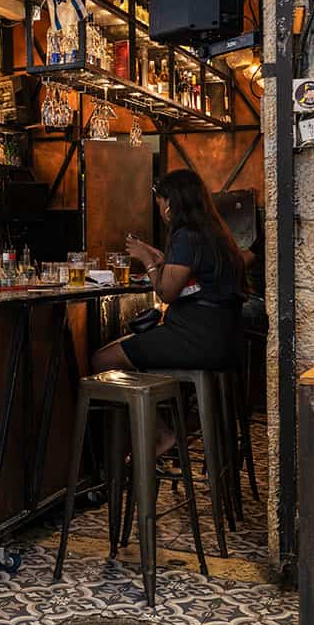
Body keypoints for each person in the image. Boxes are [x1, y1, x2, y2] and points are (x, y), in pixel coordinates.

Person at [92, 169, 246, 452]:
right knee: (120, 351)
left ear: (172, 203)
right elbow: (193, 281)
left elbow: (165, 292)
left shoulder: (186, 236)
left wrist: (145, 260)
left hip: (197, 339)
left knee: (103, 360)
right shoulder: (214, 233)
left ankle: (160, 435)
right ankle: (170, 430)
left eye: (161, 201)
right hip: (222, 338)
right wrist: (160, 259)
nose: (160, 208)